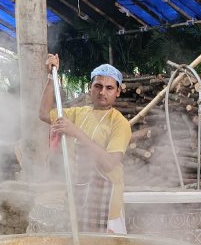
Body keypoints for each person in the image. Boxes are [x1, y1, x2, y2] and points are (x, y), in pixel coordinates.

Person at [38, 55, 131, 234]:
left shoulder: (119, 123)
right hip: (78, 199)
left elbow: (110, 163)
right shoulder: (79, 113)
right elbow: (43, 113)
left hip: (107, 206)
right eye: (98, 86)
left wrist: (77, 133)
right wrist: (51, 78)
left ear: (118, 91)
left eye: (109, 88)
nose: (102, 92)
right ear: (90, 88)